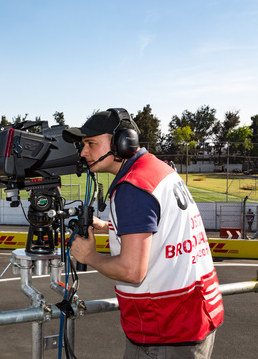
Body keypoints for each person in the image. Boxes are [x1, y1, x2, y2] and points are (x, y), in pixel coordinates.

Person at [62, 109, 224, 359]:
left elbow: (131, 271)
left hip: (166, 330)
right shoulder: (158, 170)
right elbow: (160, 226)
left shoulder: (133, 187)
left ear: (123, 142)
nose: (83, 152)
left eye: (91, 143)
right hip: (193, 317)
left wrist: (89, 256)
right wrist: (111, 227)